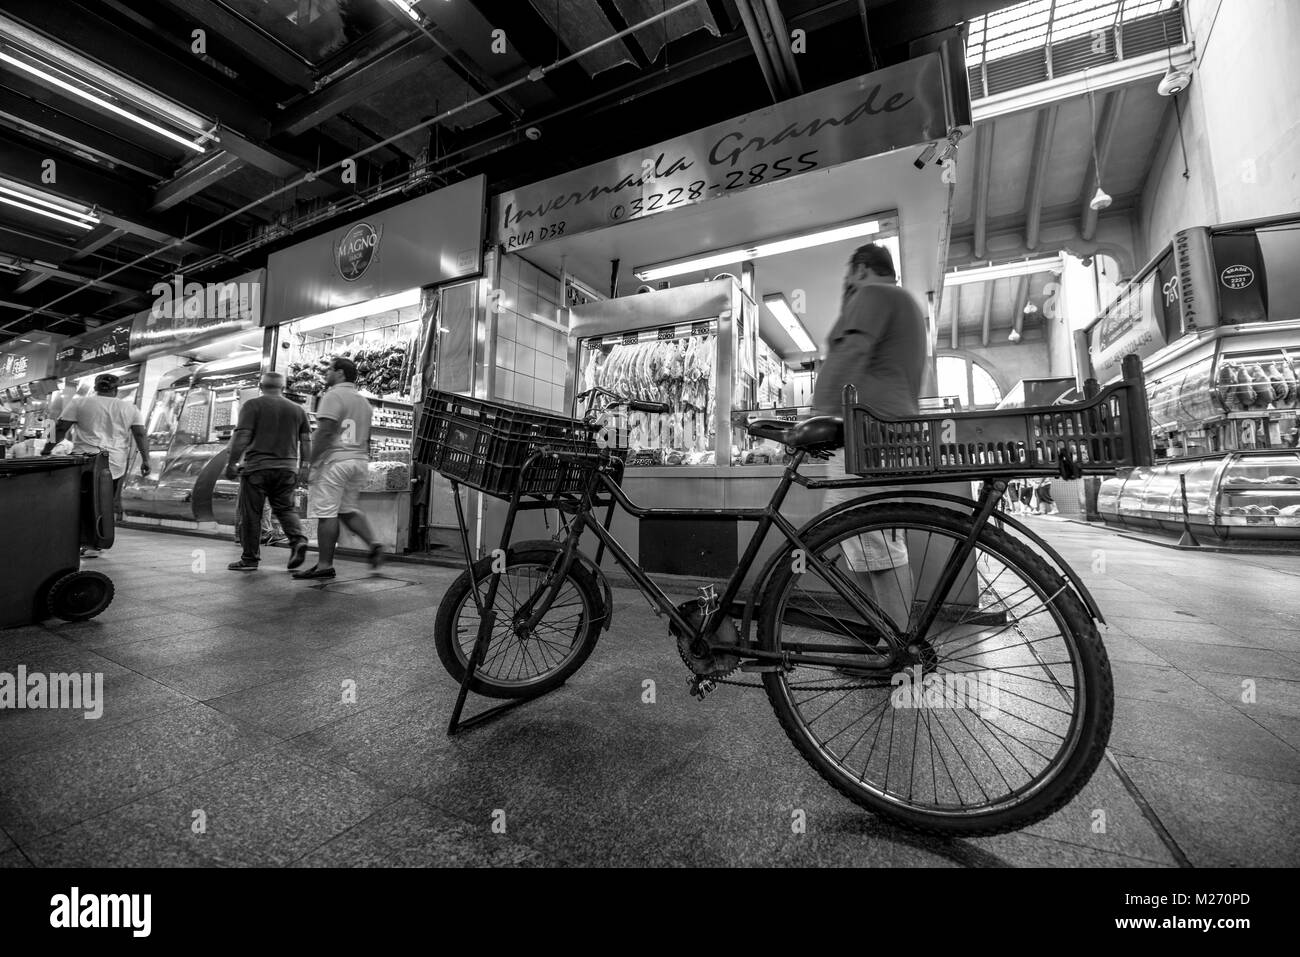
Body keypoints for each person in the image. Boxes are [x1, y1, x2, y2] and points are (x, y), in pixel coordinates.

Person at [813, 243, 928, 636]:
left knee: (876, 547)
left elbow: (847, 353)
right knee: (868, 545)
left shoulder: (874, 294)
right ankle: (885, 638)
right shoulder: (905, 304)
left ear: (861, 269)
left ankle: (895, 647)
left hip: (868, 437)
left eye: (848, 274)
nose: (845, 282)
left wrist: (815, 420)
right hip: (885, 435)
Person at [293, 356, 383, 580]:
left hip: (335, 461)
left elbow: (324, 432)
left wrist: (308, 463)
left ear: (341, 373)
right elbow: (368, 437)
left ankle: (324, 564)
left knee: (327, 514)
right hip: (359, 461)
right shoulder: (363, 402)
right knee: (347, 509)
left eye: (330, 369)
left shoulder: (333, 396)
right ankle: (374, 544)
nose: (326, 373)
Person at [42, 372, 149, 558]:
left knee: (79, 502)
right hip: (113, 464)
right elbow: (140, 435)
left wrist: (46, 449)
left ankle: (75, 541)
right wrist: (146, 460)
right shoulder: (129, 407)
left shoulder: (79, 402)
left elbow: (58, 427)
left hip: (85, 461)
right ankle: (96, 544)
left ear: (96, 387)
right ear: (116, 389)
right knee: (104, 503)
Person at [225, 371, 311, 571]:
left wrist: (231, 463)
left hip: (257, 468)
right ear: (283, 388)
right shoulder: (298, 410)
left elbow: (243, 436)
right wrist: (305, 467)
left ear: (261, 386)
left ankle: (249, 559)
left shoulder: (252, 405)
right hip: (287, 468)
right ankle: (298, 540)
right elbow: (306, 441)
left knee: (252, 514)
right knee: (285, 509)